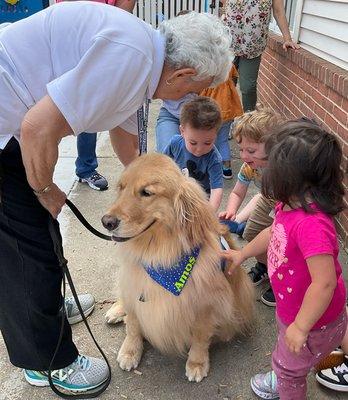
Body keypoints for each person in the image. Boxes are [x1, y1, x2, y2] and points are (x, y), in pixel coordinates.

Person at [0, 4, 232, 395]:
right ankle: (46, 359)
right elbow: (38, 127)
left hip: (17, 130)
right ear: (182, 74)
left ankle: (46, 308)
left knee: (43, 233)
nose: (186, 98)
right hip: (9, 131)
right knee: (25, 246)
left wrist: (157, 183)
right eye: (192, 90)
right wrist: (45, 189)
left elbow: (128, 141)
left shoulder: (142, 62)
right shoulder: (131, 55)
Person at [222, 119, 347, 400]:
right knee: (330, 331)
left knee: (288, 368)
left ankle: (283, 378)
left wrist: (301, 326)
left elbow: (324, 283)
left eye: (270, 166)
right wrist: (242, 253)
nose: (263, 170)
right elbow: (273, 231)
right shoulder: (290, 204)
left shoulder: (312, 224)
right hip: (312, 312)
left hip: (311, 320)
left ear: (291, 176)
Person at [55, 0, 137, 191]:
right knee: (53, 117)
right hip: (68, 47)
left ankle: (85, 168)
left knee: (90, 113)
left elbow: (121, 18)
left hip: (102, 48)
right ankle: (38, 175)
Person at [219, 108, 283, 292]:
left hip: (290, 207)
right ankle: (265, 266)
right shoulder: (248, 167)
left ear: (273, 146)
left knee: (283, 244)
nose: (244, 156)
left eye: (251, 150)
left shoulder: (283, 168)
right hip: (269, 201)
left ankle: (279, 276)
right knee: (251, 234)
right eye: (241, 149)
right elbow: (237, 192)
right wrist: (231, 211)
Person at [156, 64, 243, 180]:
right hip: (172, 113)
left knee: (200, 158)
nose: (199, 150)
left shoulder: (213, 69)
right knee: (168, 162)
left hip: (201, 117)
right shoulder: (168, 65)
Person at [221, 0, 300, 111]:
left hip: (253, 45)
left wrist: (287, 39)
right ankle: (224, 121)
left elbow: (278, 11)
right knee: (224, 86)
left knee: (248, 88)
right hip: (228, 43)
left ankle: (250, 123)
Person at [163, 96, 223, 212]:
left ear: (216, 135)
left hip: (200, 201)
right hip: (177, 196)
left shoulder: (214, 158)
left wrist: (208, 214)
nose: (199, 149)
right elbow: (163, 165)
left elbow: (216, 189)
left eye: (207, 143)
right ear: (182, 131)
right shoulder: (175, 143)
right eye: (193, 142)